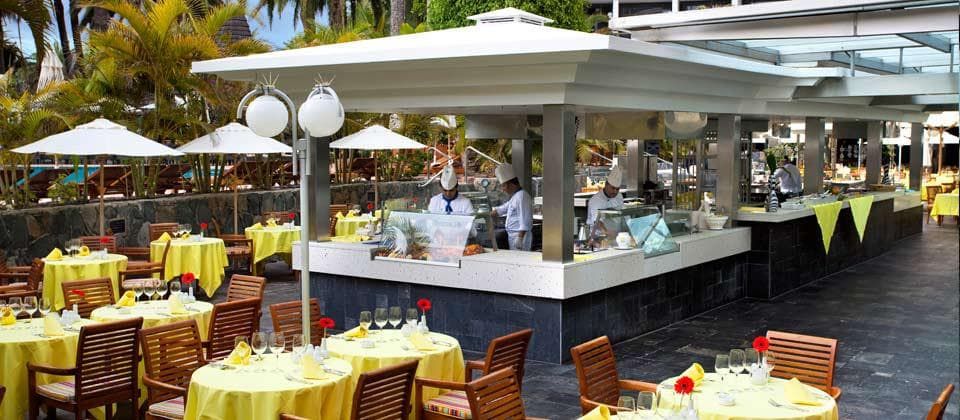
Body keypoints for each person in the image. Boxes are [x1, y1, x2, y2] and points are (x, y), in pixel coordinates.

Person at [491, 163, 533, 251]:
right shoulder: (515, 196)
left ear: (510, 184)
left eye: (503, 186)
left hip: (520, 236)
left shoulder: (522, 196)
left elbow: (525, 219)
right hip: (513, 235)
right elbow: (504, 208)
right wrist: (491, 213)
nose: (503, 189)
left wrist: (520, 238)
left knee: (520, 259)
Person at [586, 166, 625, 241]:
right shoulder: (596, 200)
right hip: (599, 238)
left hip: (617, 237)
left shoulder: (619, 196)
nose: (615, 191)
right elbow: (596, 221)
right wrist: (607, 232)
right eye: (613, 188)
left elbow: (621, 214)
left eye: (617, 189)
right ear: (606, 185)